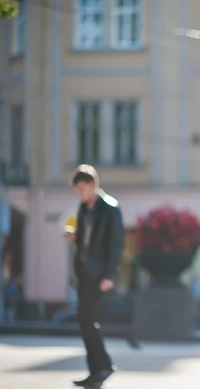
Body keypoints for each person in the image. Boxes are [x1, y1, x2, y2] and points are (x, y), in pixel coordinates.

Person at [66, 165, 124, 387]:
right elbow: (87, 242)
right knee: (85, 321)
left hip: (98, 275)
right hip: (83, 273)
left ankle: (103, 367)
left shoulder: (110, 208)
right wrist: (75, 237)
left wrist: (110, 275)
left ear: (93, 185)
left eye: (82, 188)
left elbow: (115, 244)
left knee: (87, 319)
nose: (80, 193)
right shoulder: (83, 209)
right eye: (77, 190)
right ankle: (98, 368)